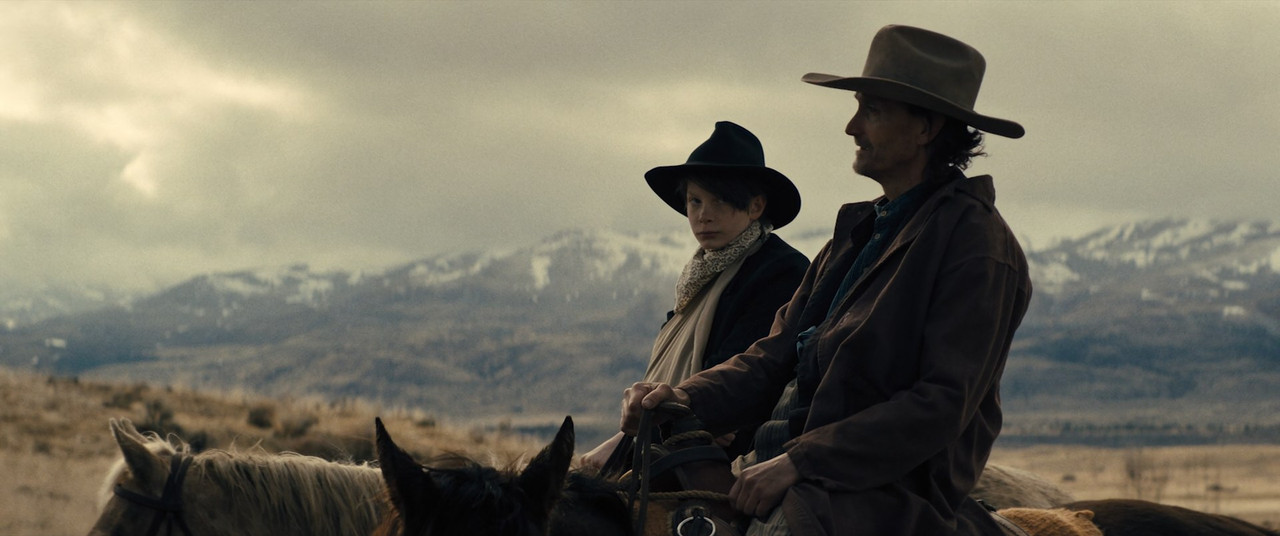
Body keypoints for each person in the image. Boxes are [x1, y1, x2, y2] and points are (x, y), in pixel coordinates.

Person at [621, 25, 1032, 536]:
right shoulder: (857, 234)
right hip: (794, 474)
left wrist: (802, 461)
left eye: (871, 112)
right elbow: (773, 356)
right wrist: (681, 398)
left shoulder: (976, 245)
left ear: (925, 128)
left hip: (879, 493)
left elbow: (941, 403)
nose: (851, 127)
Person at [581, 121, 809, 469]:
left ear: (756, 206)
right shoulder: (699, 278)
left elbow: (740, 374)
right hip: (671, 442)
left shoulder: (780, 271)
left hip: (729, 459)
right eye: (695, 201)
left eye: (720, 200)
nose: (703, 216)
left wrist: (623, 444)